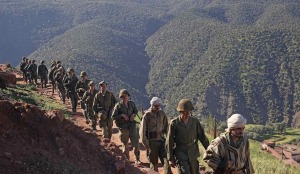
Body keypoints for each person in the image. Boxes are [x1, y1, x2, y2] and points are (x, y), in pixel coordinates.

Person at [166, 99, 209, 174]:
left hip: (193, 152)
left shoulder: (195, 122)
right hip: (180, 152)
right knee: (184, 172)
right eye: (184, 113)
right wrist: (170, 158)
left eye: (188, 112)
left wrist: (209, 150)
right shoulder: (174, 123)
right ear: (180, 112)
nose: (186, 115)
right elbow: (169, 141)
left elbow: (202, 137)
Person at [139, 97, 171, 173]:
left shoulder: (162, 114)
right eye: (156, 106)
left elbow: (167, 128)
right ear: (152, 105)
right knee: (154, 163)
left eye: (159, 105)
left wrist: (169, 140)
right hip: (152, 142)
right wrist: (146, 144)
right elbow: (142, 131)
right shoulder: (147, 115)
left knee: (166, 161)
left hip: (162, 140)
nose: (158, 107)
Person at [112, 89, 140, 164]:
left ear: (128, 96)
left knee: (135, 142)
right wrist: (122, 115)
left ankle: (137, 158)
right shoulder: (118, 106)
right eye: (123, 96)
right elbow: (113, 116)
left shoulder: (132, 104)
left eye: (126, 96)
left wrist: (133, 115)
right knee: (125, 143)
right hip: (123, 127)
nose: (125, 97)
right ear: (121, 97)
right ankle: (126, 159)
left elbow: (136, 111)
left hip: (132, 125)